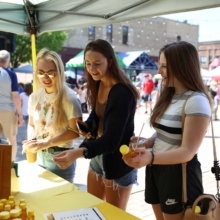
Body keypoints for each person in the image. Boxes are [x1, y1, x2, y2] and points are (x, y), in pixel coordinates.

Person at [122, 41, 212, 220]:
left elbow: (188, 151)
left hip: (178, 174)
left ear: (181, 67)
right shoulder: (170, 95)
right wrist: (148, 142)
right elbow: (165, 131)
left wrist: (151, 157)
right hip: (157, 168)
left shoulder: (196, 101)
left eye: (164, 66)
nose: (159, 71)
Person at [53, 39, 140, 210]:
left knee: (112, 215)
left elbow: (112, 140)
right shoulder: (98, 82)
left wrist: (77, 152)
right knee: (93, 209)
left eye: (97, 63)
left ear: (110, 61)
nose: (92, 69)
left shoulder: (121, 92)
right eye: (88, 64)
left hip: (118, 160)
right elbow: (97, 115)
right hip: (98, 156)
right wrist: (88, 126)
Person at [22, 48, 82, 183]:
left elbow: (75, 132)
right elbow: (31, 124)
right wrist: (31, 141)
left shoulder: (69, 97)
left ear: (59, 72)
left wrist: (46, 143)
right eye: (41, 72)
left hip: (60, 157)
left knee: (61, 202)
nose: (45, 77)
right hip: (39, 156)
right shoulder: (34, 96)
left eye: (50, 72)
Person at [0, 50, 23, 161]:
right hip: (7, 110)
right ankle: (11, 165)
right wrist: (20, 114)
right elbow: (15, 96)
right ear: (8, 61)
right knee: (12, 140)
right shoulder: (11, 74)